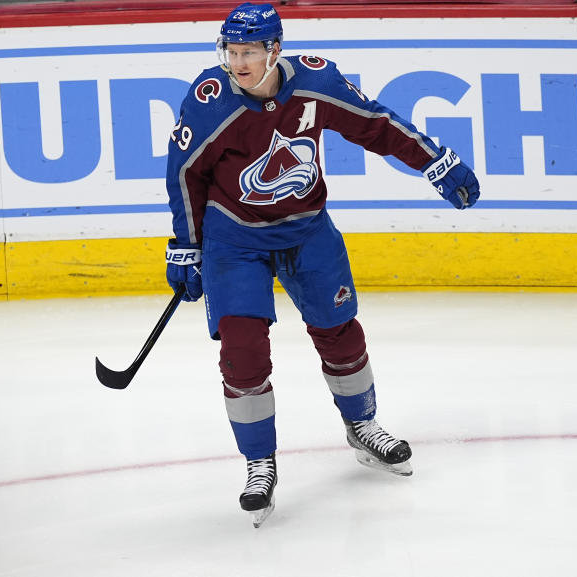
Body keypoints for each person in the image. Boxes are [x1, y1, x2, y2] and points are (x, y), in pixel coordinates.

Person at [164, 2, 480, 528]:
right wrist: (187, 245)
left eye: (248, 52)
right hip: (234, 242)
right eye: (231, 51)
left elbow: (377, 125)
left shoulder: (316, 81)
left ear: (275, 50)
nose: (237, 63)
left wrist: (434, 161)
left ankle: (362, 425)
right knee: (242, 350)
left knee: (340, 331)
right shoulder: (209, 101)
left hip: (307, 228)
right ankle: (259, 460)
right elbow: (184, 176)